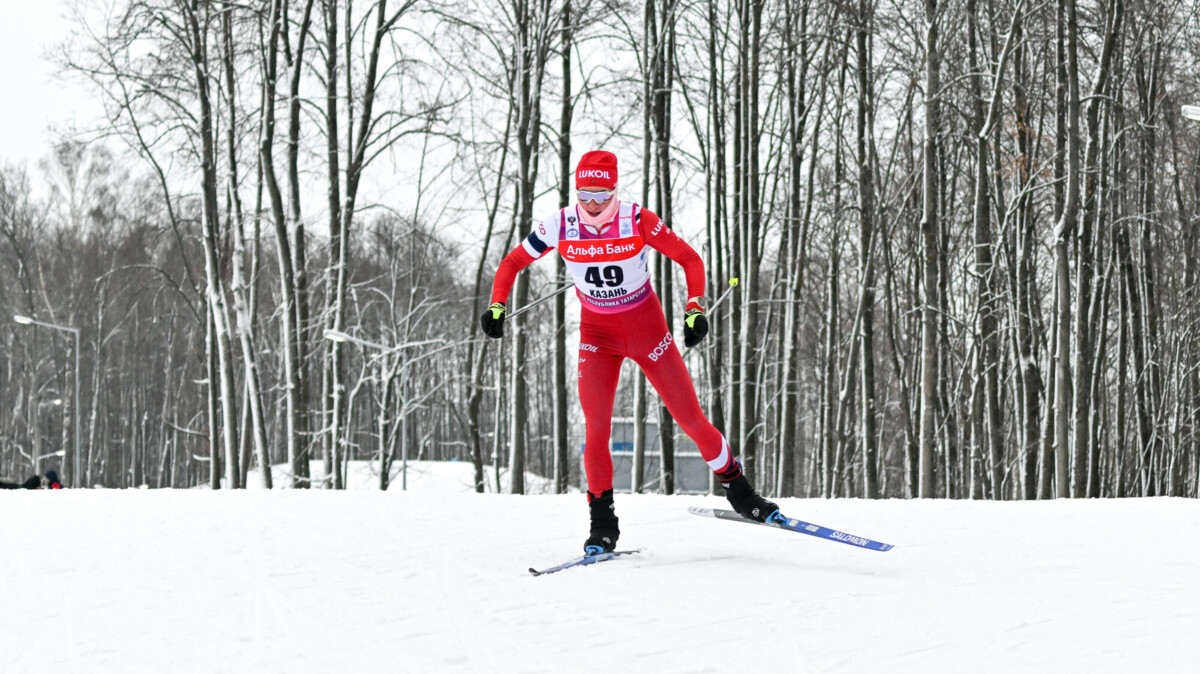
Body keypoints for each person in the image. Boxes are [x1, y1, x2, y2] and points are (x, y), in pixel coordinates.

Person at [481, 150, 780, 555]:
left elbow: (689, 258)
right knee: (596, 429)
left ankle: (742, 493)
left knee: (689, 417)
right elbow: (513, 262)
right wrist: (498, 304)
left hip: (646, 328)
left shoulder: (637, 220)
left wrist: (694, 308)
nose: (591, 205)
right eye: (583, 194)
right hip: (597, 336)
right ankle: (602, 526)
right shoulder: (562, 224)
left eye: (601, 196)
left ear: (615, 191)